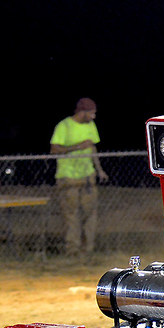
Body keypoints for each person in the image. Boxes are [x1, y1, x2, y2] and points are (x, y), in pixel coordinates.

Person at [50, 97, 108, 255]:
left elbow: (92, 148)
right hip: (68, 177)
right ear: (82, 112)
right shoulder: (64, 126)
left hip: (88, 176)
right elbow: (54, 149)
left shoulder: (90, 125)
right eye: (91, 113)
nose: (93, 117)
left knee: (90, 213)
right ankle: (72, 250)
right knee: (71, 214)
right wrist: (77, 147)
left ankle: (88, 249)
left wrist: (99, 169)